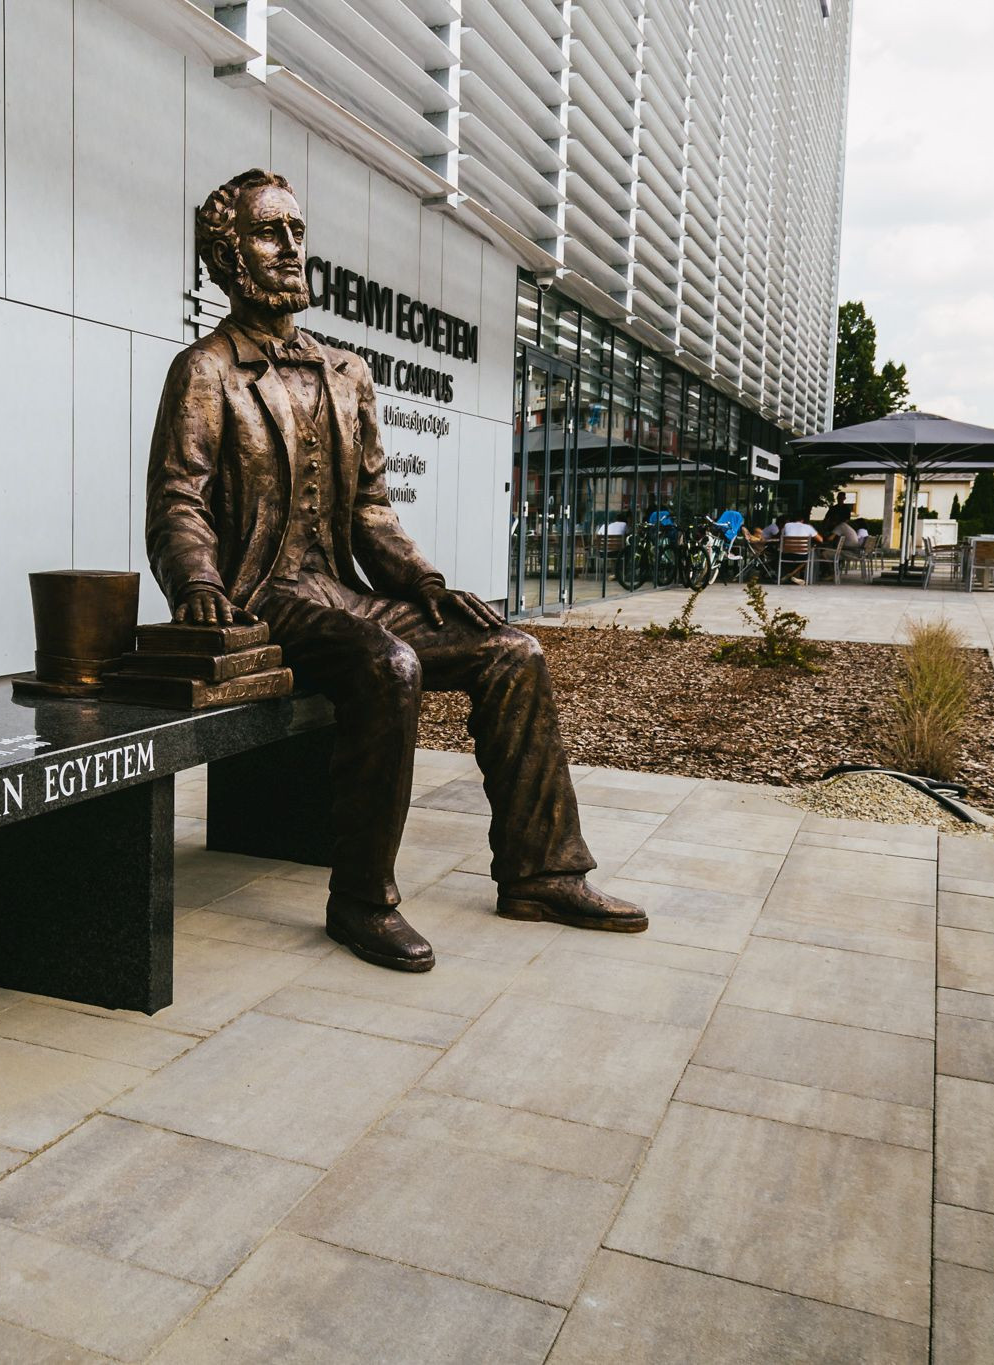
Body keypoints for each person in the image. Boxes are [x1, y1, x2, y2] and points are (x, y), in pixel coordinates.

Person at [147, 170, 645, 974]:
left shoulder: (347, 374)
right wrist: (198, 583)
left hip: (342, 591)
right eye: (270, 233)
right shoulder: (206, 370)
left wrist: (426, 583)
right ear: (230, 258)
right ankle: (361, 898)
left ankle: (542, 872)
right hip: (265, 600)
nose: (291, 248)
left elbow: (373, 513)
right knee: (390, 665)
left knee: (514, 650)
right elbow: (178, 499)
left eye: (297, 231)